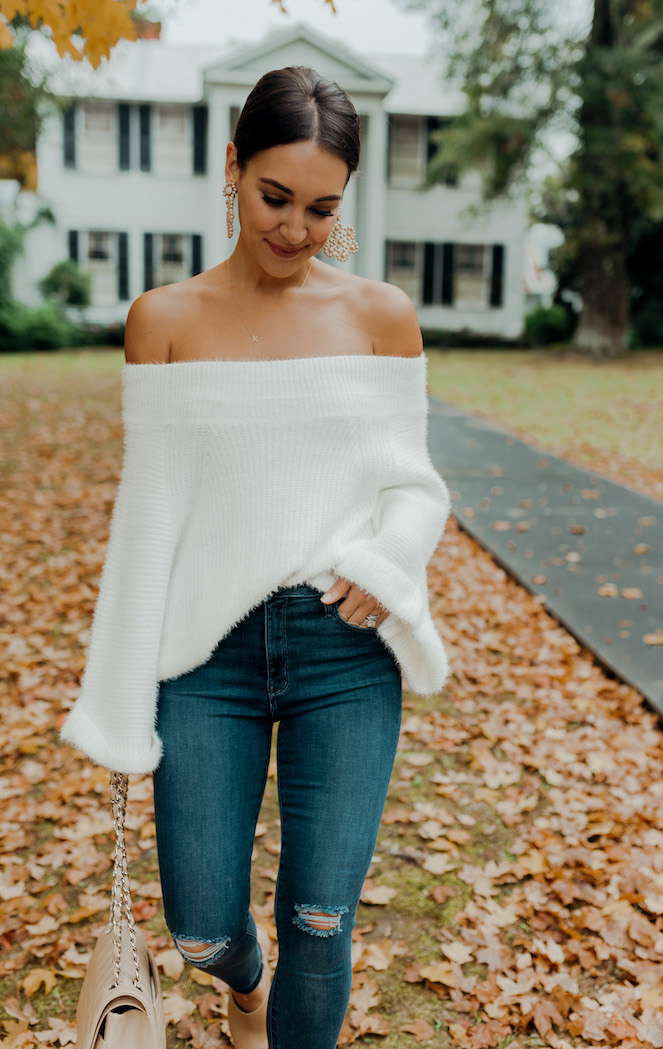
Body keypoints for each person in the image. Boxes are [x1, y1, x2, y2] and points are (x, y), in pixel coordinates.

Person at [60, 65, 451, 1049]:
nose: (295, 226)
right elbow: (147, 512)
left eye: (322, 207)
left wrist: (390, 559)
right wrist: (118, 696)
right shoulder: (164, 322)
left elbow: (414, 483)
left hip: (343, 646)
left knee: (321, 918)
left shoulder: (381, 317)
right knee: (198, 928)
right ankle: (244, 989)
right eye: (274, 197)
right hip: (205, 653)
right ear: (231, 168)